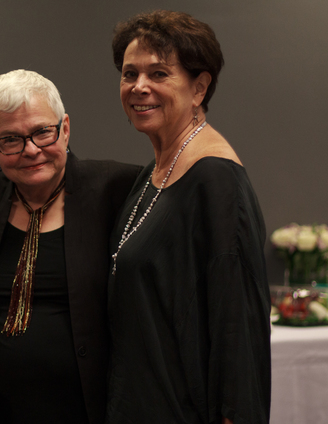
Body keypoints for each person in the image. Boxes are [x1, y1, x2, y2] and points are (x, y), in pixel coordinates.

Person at [106, 10, 271, 424]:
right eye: (130, 74)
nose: (139, 87)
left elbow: (239, 330)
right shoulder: (155, 170)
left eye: (159, 73)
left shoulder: (216, 179)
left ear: (199, 87)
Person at [0, 69, 142, 424]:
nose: (31, 150)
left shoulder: (116, 189)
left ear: (66, 127)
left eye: (43, 132)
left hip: (89, 410)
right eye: (10, 139)